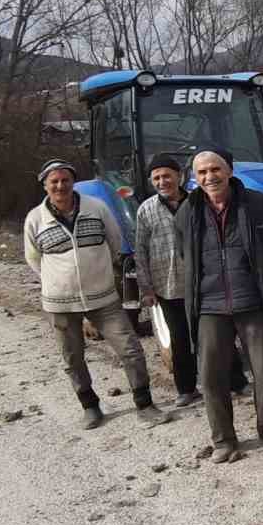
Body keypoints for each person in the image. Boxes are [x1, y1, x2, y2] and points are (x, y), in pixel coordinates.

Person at [23, 159, 164, 430]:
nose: (60, 185)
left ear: (73, 181)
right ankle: (90, 407)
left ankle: (145, 404)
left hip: (103, 297)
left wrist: (96, 273)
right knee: (72, 357)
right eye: (54, 181)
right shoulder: (35, 219)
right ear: (45, 185)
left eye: (65, 180)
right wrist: (58, 281)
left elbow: (113, 243)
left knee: (131, 349)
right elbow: (33, 258)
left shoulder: (96, 208)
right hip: (60, 303)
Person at [176, 149, 263, 463]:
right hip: (210, 305)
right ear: (194, 178)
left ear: (229, 171)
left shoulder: (257, 203)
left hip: (251, 301)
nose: (209, 177)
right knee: (212, 376)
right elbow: (186, 256)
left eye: (215, 169)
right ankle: (224, 440)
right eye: (201, 173)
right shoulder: (188, 211)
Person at [135, 153, 245, 410]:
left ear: (180, 177)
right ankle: (186, 389)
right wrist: (146, 288)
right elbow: (140, 251)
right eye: (157, 178)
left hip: (203, 283)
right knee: (179, 338)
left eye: (167, 176)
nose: (162, 181)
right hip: (168, 286)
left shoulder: (198, 202)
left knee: (219, 335)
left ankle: (236, 381)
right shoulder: (145, 210)